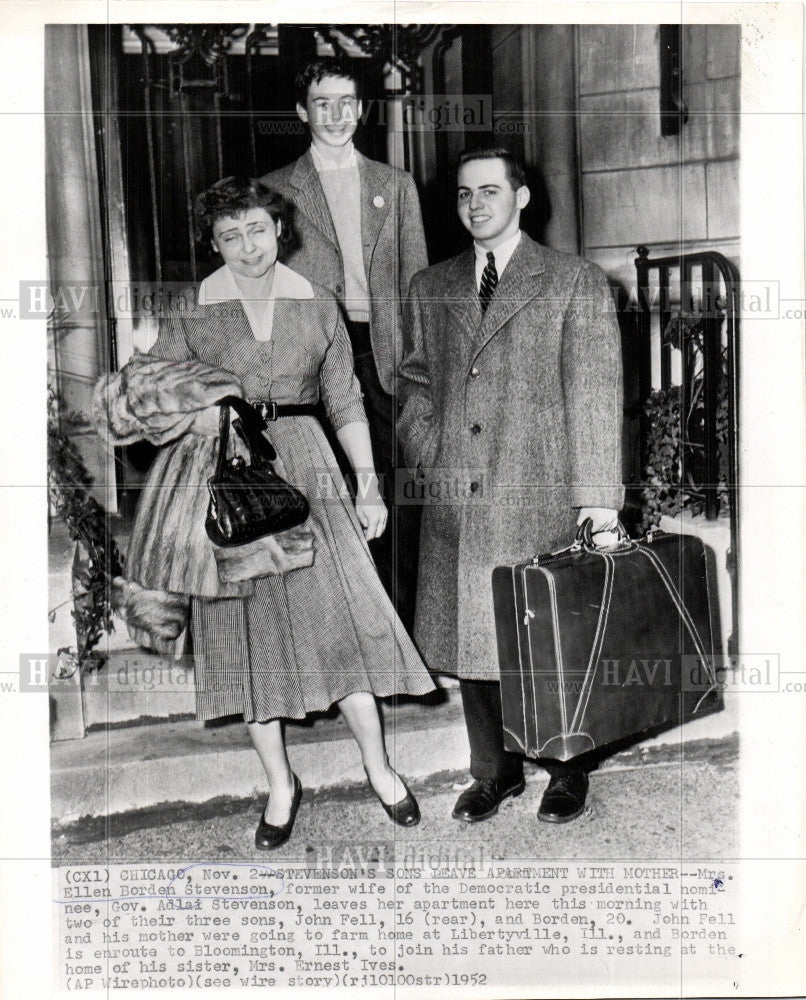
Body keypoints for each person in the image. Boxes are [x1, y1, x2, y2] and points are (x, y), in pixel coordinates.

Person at [107, 177, 435, 850]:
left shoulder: (318, 302)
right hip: (227, 477)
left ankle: (380, 768)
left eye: (257, 229)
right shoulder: (193, 307)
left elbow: (344, 398)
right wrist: (185, 409)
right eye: (230, 235)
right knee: (244, 637)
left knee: (342, 624)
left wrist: (368, 485)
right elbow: (150, 395)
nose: (247, 246)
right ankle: (281, 787)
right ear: (214, 241)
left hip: (309, 467)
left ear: (279, 230)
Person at [397, 147, 624, 824]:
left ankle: (566, 768)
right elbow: (411, 383)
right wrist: (429, 451)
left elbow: (594, 398)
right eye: (465, 194)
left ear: (522, 198)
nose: (475, 204)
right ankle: (493, 773)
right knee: (475, 640)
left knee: (550, 640)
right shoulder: (430, 287)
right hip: (458, 497)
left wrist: (599, 502)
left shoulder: (572, 282)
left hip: (540, 492)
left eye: (490, 191)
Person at [261, 57, 428, 626]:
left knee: (394, 496)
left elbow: (417, 283)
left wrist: (420, 362)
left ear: (363, 109)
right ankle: (342, 631)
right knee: (326, 495)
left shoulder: (395, 185)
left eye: (347, 103)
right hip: (315, 358)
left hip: (385, 353)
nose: (336, 116)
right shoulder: (276, 190)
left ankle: (401, 631)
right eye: (322, 103)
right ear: (302, 111)